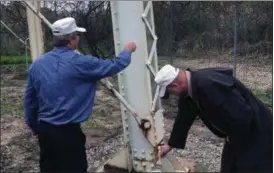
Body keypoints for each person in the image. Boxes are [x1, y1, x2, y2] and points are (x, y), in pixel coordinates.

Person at [24, 17, 137, 173]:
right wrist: (127, 50)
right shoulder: (81, 63)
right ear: (71, 40)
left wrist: (35, 127)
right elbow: (115, 65)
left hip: (46, 133)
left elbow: (30, 102)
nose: (78, 38)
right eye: (77, 35)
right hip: (69, 135)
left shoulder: (37, 64)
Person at [155, 64, 272, 173]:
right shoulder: (190, 90)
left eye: (170, 91)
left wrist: (237, 144)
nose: (173, 94)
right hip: (235, 134)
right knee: (229, 167)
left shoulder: (209, 86)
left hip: (256, 130)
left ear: (176, 85)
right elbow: (183, 119)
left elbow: (242, 115)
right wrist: (170, 145)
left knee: (252, 167)